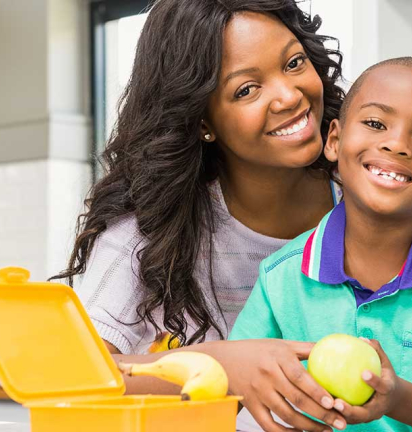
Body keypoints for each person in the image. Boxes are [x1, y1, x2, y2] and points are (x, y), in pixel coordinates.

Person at [54, 0, 352, 431]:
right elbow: (73, 375)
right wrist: (219, 365)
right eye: (246, 89)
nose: (289, 96)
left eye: (293, 62)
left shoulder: (363, 196)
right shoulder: (152, 229)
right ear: (201, 121)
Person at [229, 57, 412, 431]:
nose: (396, 144)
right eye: (375, 123)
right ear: (335, 140)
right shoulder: (282, 274)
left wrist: (397, 397)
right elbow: (233, 382)